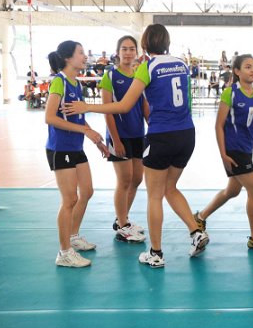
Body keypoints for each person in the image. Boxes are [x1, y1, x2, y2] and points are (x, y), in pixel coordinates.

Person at [65, 24, 209, 268]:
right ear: (167, 42)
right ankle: (196, 232)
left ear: (143, 46)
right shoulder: (182, 64)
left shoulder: (147, 67)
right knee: (170, 187)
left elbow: (123, 105)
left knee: (155, 195)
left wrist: (88, 107)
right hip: (187, 133)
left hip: (162, 135)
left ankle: (156, 253)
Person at [194, 55, 253, 250]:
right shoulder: (231, 93)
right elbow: (218, 125)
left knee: (232, 191)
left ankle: (200, 217)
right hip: (233, 150)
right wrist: (223, 154)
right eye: (247, 67)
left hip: (247, 149)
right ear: (237, 71)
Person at [45, 40, 109, 267]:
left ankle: (73, 236)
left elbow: (79, 117)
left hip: (76, 147)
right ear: (67, 58)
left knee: (87, 192)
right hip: (60, 147)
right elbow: (50, 118)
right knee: (70, 199)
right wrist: (84, 130)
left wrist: (95, 139)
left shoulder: (76, 84)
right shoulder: (59, 83)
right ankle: (64, 253)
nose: (85, 57)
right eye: (81, 53)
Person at [99, 35, 149, 243]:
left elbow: (145, 105)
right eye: (124, 49)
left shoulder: (140, 74)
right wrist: (116, 141)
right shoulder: (109, 76)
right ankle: (123, 225)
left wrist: (154, 127)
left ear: (136, 52)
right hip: (119, 136)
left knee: (137, 179)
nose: (128, 53)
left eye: (131, 49)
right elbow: (107, 110)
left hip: (139, 134)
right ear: (117, 52)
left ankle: (122, 219)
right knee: (125, 180)